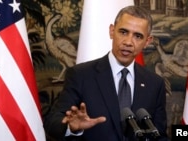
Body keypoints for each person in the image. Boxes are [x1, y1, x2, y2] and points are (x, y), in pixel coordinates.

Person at [44, 5, 168, 141]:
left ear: (147, 41)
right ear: (112, 31)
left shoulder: (155, 83)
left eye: (137, 36)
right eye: (123, 32)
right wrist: (72, 127)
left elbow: (159, 134)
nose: (128, 42)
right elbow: (52, 123)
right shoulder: (81, 75)